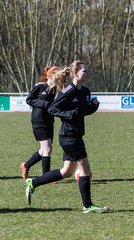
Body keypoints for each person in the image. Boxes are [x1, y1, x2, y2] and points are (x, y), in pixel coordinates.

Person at [25, 61, 108, 213]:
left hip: (76, 134)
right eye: (84, 71)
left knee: (67, 172)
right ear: (75, 73)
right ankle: (87, 206)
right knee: (85, 170)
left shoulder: (85, 91)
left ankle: (34, 182)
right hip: (69, 137)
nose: (87, 73)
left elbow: (82, 112)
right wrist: (69, 114)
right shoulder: (68, 91)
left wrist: (93, 107)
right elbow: (52, 109)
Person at [20, 66, 60, 181]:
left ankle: (26, 165)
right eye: (55, 73)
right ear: (48, 75)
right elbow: (29, 100)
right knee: (47, 149)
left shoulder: (56, 89)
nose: (57, 75)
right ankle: (46, 177)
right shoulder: (39, 86)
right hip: (38, 120)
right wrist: (44, 103)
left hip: (49, 120)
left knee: (44, 150)